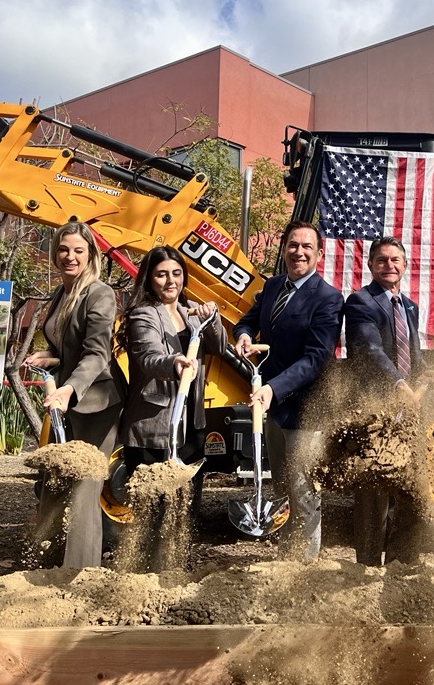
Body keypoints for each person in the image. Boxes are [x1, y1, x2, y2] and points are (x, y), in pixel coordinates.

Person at [233, 221, 343, 560]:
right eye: (293, 245)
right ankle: (287, 557)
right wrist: (244, 335)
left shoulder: (328, 299)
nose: (299, 252)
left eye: (307, 246)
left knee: (305, 491)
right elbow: (249, 319)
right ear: (283, 250)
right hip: (272, 409)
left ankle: (305, 566)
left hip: (305, 410)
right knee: (283, 487)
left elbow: (315, 359)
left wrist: (273, 388)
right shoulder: (273, 287)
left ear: (319, 254)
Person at [22, 221, 124, 569]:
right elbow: (70, 347)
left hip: (97, 404)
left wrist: (68, 387)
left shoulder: (100, 293)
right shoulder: (60, 293)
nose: (70, 256)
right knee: (56, 484)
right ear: (55, 254)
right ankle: (50, 568)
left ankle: (82, 574)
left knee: (84, 489)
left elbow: (97, 353)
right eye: (64, 250)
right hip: (66, 403)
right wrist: (51, 358)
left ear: (90, 254)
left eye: (78, 250)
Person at [344, 236, 426, 566]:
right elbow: (369, 350)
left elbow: (415, 355)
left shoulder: (409, 306)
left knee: (411, 487)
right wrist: (399, 385)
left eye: (395, 260)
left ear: (405, 266)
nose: (389, 265)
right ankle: (367, 566)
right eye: (381, 260)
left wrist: (424, 380)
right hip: (374, 410)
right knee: (373, 492)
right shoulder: (361, 301)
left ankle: (401, 563)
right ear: (370, 266)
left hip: (409, 412)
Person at [115, 246, 226, 474]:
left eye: (176, 273)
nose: (170, 281)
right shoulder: (143, 314)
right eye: (161, 274)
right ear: (149, 279)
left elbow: (220, 347)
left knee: (186, 502)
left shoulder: (192, 311)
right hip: (152, 427)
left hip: (192, 425)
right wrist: (174, 362)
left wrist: (213, 320)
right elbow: (149, 358)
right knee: (152, 504)